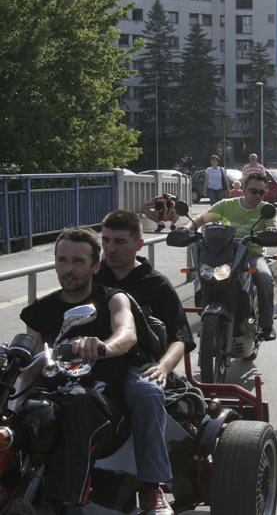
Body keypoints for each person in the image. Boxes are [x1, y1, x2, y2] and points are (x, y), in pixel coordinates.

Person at [19, 228, 137, 511]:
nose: (68, 269)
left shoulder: (113, 299)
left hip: (103, 406)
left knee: (79, 401)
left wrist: (103, 347)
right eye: (62, 260)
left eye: (77, 261)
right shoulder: (41, 310)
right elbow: (30, 365)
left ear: (96, 266)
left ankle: (64, 501)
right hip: (53, 400)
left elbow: (127, 333)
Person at [96, 210, 195, 515]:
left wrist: (163, 367)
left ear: (139, 244)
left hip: (137, 366)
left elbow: (181, 337)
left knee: (148, 392)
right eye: (106, 240)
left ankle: (152, 488)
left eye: (120, 242)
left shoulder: (157, 284)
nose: (111, 248)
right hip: (92, 364)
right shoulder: (92, 276)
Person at [184, 173, 277, 340]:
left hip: (252, 254)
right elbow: (202, 218)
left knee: (265, 279)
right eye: (253, 191)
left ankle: (267, 325)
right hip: (224, 254)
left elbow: (273, 225)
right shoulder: (226, 205)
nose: (257, 195)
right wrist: (186, 228)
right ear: (243, 188)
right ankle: (206, 320)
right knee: (202, 277)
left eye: (261, 192)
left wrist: (272, 231)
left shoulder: (266, 209)